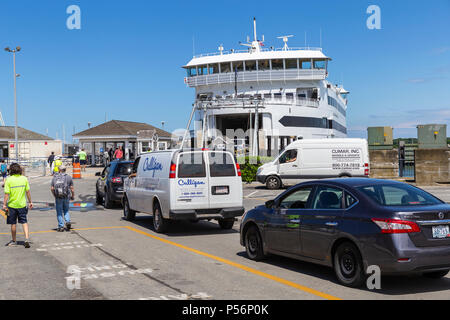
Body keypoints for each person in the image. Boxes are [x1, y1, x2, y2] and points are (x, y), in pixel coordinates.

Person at [3, 163, 33, 248]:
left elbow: (6, 194)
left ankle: (14, 241)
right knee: (24, 222)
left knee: (13, 223)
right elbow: (28, 192)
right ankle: (26, 239)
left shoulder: (9, 180)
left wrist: (4, 205)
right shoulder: (24, 179)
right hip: (22, 204)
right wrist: (30, 202)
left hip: (12, 205)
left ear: (11, 170)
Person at [51, 165, 75, 232]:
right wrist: (73, 196)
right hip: (66, 196)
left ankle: (61, 226)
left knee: (59, 212)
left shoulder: (55, 178)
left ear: (59, 170)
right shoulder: (68, 177)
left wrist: (54, 195)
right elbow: (72, 189)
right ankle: (67, 221)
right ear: (65, 170)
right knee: (66, 210)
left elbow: (52, 188)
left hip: (58, 197)